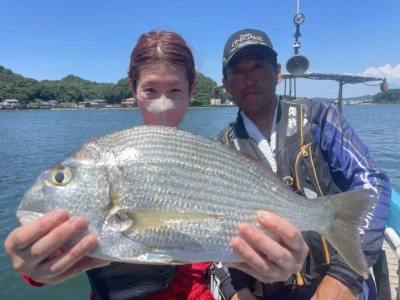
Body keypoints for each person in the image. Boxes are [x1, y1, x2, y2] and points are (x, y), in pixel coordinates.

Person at [4, 29, 309, 300]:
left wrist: (276, 263)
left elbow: (210, 257)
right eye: (150, 90)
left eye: (175, 90)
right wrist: (36, 267)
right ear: (132, 88)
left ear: (192, 91)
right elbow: (54, 243)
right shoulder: (96, 156)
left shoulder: (215, 160)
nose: (162, 103)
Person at [211, 28, 392, 300]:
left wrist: (345, 279)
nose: (249, 78)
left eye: (258, 66)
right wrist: (235, 290)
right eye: (237, 71)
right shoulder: (222, 145)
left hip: (338, 279)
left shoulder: (319, 116)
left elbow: (371, 183)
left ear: (278, 73)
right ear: (226, 84)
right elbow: (211, 227)